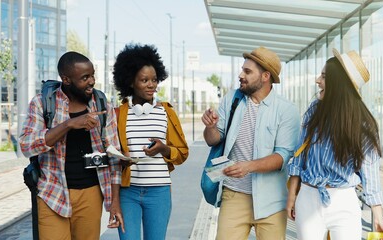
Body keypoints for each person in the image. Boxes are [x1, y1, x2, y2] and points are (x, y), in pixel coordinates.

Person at [286, 49, 383, 240]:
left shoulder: (363, 123)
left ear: (339, 84)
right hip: (309, 196)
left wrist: (378, 216)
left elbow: (370, 172)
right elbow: (299, 156)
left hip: (344, 200)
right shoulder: (314, 110)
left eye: (324, 76)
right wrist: (292, 196)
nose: (318, 80)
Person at [19, 51, 124, 240]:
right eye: (85, 78)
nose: (91, 81)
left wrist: (114, 202)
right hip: (52, 193)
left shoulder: (101, 105)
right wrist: (67, 125)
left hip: (91, 194)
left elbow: (114, 157)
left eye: (92, 75)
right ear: (66, 80)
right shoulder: (42, 103)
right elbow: (26, 146)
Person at [201, 46, 300, 240]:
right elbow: (212, 140)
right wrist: (211, 127)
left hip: (272, 200)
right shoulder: (232, 99)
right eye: (242, 70)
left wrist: (249, 167)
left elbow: (283, 157)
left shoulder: (286, 111)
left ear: (265, 76)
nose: (241, 75)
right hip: (234, 195)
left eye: (247, 71)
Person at [112, 43, 189, 240]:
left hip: (159, 192)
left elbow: (182, 153)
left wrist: (164, 149)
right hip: (128, 193)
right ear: (130, 82)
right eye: (144, 80)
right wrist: (121, 158)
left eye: (154, 80)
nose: (151, 85)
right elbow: (110, 151)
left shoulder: (167, 112)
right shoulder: (118, 114)